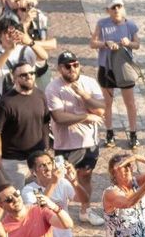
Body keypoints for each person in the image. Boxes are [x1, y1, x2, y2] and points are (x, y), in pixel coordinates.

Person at [45, 50, 107, 227]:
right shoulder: (53, 88)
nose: (72, 69)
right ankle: (58, 213)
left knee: (85, 177)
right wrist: (86, 117)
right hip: (65, 144)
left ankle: (85, 210)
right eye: (67, 66)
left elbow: (101, 110)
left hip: (89, 142)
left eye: (75, 65)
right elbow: (59, 118)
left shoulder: (89, 83)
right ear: (59, 69)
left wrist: (83, 95)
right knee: (60, 179)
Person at [90, 0, 140, 149]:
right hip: (107, 68)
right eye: (113, 7)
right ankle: (109, 132)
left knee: (130, 103)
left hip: (124, 67)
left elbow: (137, 44)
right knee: (107, 103)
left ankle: (133, 133)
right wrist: (106, 43)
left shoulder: (130, 25)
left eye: (119, 6)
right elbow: (92, 43)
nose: (117, 10)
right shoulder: (102, 24)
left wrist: (128, 43)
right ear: (108, 10)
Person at [20, 151, 76, 237]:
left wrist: (74, 180)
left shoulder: (62, 182)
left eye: (49, 163)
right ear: (32, 171)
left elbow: (83, 200)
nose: (48, 168)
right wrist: (53, 183)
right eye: (42, 165)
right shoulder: (28, 190)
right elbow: (37, 211)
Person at [0, 183, 74, 236]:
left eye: (16, 194)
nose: (15, 199)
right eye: (9, 199)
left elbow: (68, 225)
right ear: (1, 205)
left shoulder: (40, 210)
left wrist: (54, 207)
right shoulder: (4, 227)